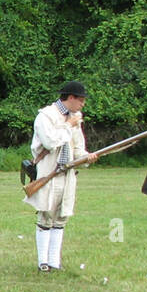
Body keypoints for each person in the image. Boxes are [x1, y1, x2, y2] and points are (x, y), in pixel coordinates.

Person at [27, 80, 99, 272]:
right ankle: (43, 262)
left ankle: (54, 262)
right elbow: (50, 142)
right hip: (48, 172)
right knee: (46, 216)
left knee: (61, 217)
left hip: (67, 173)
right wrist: (68, 125)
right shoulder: (46, 116)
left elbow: (76, 147)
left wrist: (86, 157)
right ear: (71, 98)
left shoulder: (75, 118)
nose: (83, 104)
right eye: (81, 99)